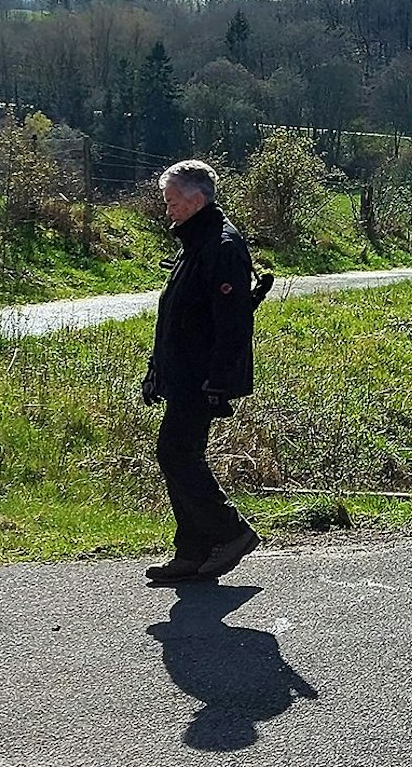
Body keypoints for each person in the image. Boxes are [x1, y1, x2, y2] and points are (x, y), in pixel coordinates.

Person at [142, 161, 262, 585]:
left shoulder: (222, 246)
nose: (167, 208)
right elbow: (177, 316)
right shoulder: (195, 242)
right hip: (184, 371)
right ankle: (193, 551)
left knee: (177, 453)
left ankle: (230, 533)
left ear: (197, 200)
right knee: (177, 454)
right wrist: (158, 370)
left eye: (172, 201)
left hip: (202, 376)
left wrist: (219, 382)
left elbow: (232, 324)